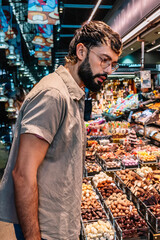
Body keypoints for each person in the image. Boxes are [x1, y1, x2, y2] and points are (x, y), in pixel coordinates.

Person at [0, 21, 122, 240]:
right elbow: (23, 174)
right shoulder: (53, 95)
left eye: (113, 64)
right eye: (104, 60)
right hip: (45, 230)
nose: (108, 70)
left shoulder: (72, 93)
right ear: (81, 51)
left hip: (60, 224)